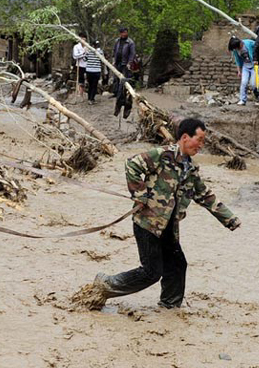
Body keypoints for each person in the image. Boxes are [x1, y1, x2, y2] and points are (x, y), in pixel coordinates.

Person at [90, 118, 241, 309]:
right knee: (151, 272)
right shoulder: (162, 155)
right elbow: (132, 165)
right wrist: (140, 194)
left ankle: (170, 307)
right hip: (148, 224)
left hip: (169, 227)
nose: (201, 145)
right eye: (200, 140)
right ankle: (105, 285)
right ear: (185, 137)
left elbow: (204, 195)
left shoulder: (190, 169)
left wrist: (230, 219)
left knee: (177, 265)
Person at [112, 27, 136, 118]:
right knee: (117, 85)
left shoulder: (130, 42)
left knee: (125, 86)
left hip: (126, 66)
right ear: (120, 33)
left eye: (125, 32)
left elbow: (132, 54)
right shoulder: (117, 41)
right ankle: (117, 107)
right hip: (118, 65)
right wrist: (114, 60)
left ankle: (126, 108)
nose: (124, 34)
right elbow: (114, 51)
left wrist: (129, 63)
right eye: (122, 33)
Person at [228, 36, 257, 105]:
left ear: (241, 43)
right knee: (244, 83)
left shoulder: (249, 43)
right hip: (245, 66)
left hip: (254, 66)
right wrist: (239, 71)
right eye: (236, 48)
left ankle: (258, 98)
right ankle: (243, 100)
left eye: (239, 47)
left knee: (254, 84)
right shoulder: (236, 50)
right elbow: (238, 60)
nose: (238, 49)